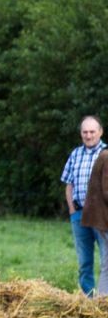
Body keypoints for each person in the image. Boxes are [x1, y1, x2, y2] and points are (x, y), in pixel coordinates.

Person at [61, 115, 108, 297]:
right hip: (80, 214)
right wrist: (72, 210)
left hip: (102, 217)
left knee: (106, 259)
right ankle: (88, 301)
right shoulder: (75, 153)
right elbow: (68, 183)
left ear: (100, 132)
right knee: (84, 262)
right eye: (85, 132)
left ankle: (103, 301)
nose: (88, 136)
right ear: (81, 134)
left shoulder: (105, 153)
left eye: (92, 132)